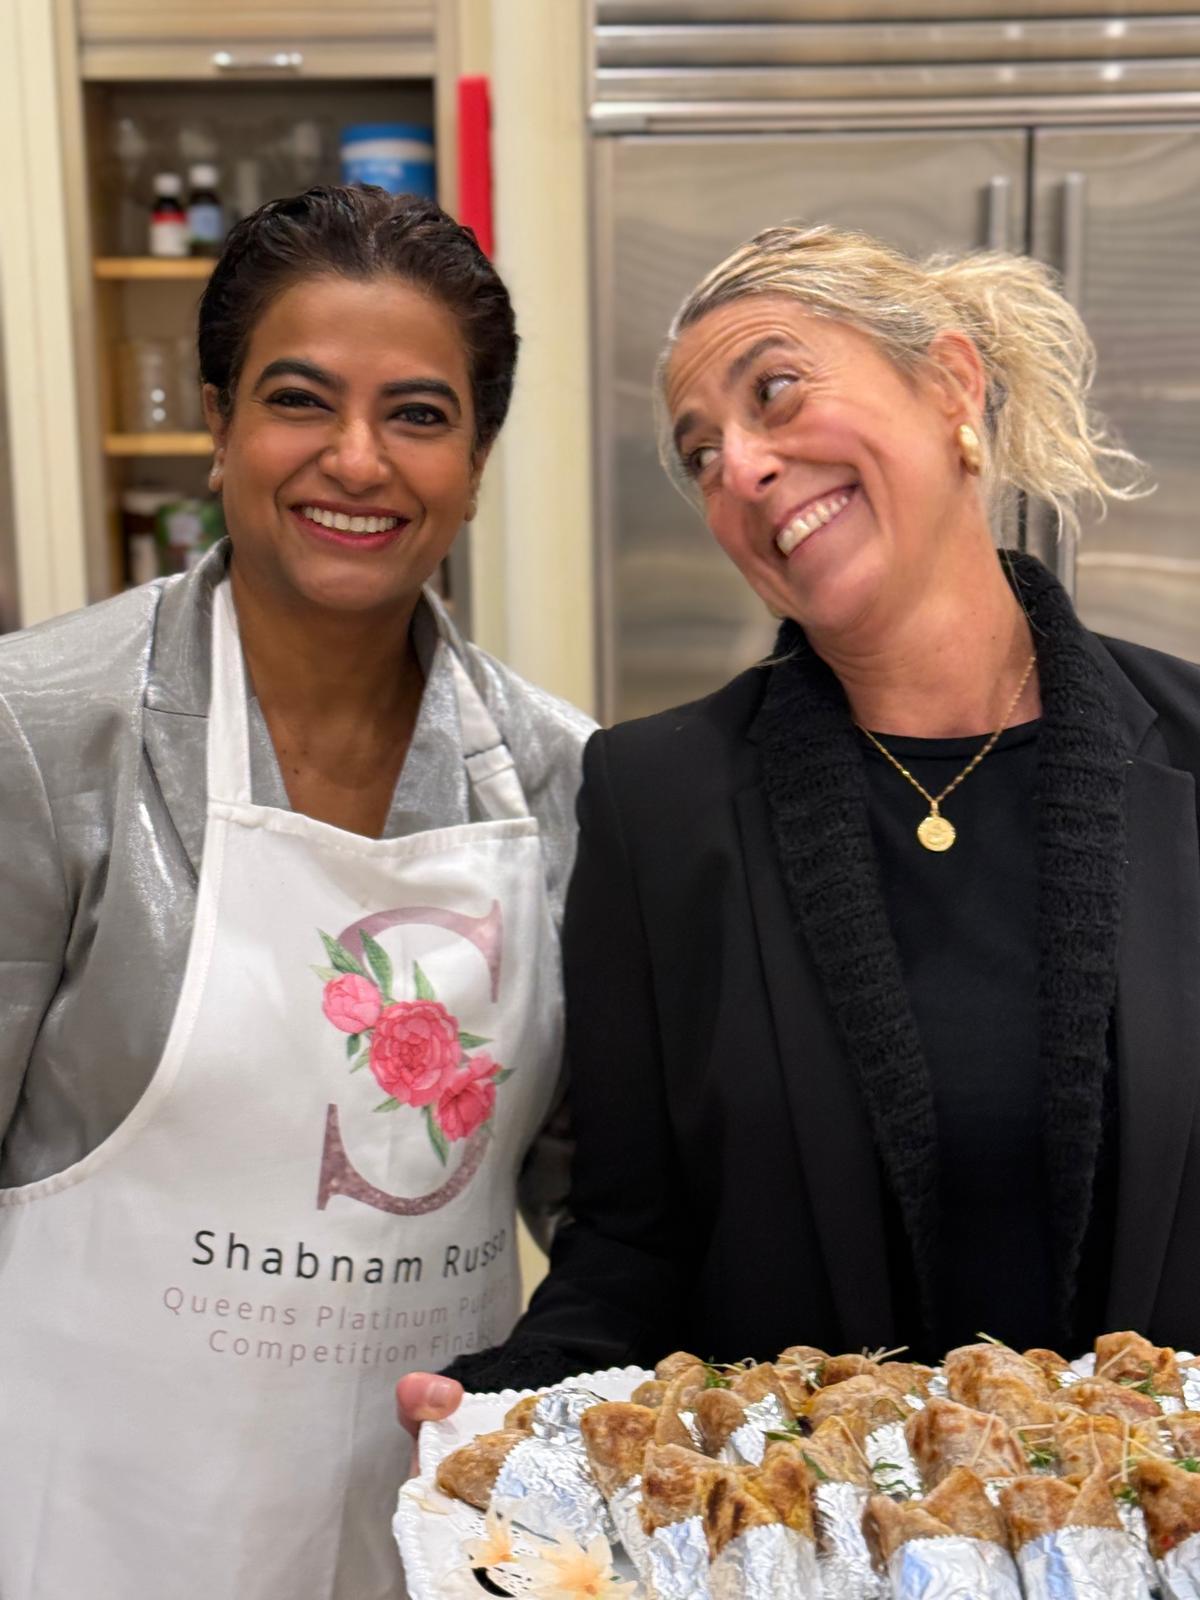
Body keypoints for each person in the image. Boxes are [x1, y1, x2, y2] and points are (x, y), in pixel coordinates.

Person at [401, 221, 1200, 1429]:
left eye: (775, 390)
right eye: (701, 453)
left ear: (950, 386)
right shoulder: (655, 803)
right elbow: (633, 1238)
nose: (743, 466)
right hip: (814, 1541)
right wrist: (507, 1402)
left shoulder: (1190, 752)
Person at [0, 185, 592, 1599]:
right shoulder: (42, 733)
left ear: (478, 457)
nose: (356, 459)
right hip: (92, 1526)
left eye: (421, 414)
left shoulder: (563, 783)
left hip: (420, 1538)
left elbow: (598, 1208)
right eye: (298, 400)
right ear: (217, 420)